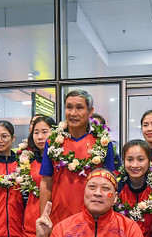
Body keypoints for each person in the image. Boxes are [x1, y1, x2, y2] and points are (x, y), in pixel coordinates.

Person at [39, 90, 116, 225]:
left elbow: (110, 184)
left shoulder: (102, 143)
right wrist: (43, 218)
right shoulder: (52, 142)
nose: (73, 113)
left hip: (93, 221)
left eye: (79, 108)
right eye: (69, 107)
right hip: (59, 220)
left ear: (90, 111)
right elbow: (46, 182)